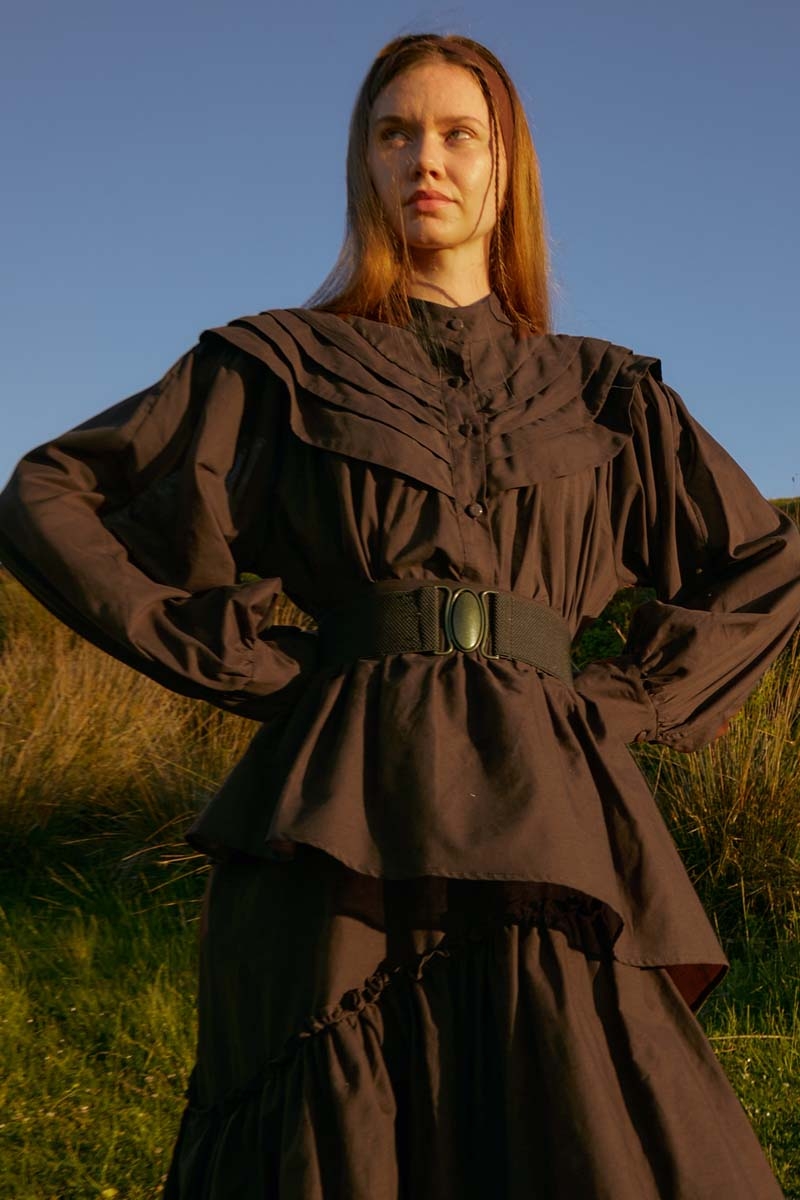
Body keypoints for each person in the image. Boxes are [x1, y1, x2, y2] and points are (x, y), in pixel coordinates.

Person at [1, 31, 798, 1200]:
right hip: (344, 812)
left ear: (504, 169)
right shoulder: (278, 363)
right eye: (395, 133)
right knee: (344, 1138)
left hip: (547, 812)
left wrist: (621, 703)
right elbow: (51, 494)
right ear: (363, 164)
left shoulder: (604, 391)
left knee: (577, 1123)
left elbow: (764, 563)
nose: (425, 158)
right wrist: (244, 664)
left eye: (457, 134)